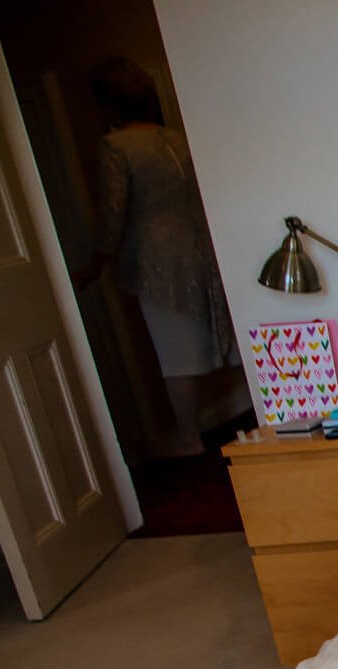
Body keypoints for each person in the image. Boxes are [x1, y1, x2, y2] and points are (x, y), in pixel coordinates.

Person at [73, 57, 236, 458]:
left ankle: (188, 438)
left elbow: (114, 211)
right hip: (205, 247)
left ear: (107, 105)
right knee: (223, 335)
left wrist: (96, 262)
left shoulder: (116, 146)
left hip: (157, 259)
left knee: (175, 351)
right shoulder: (177, 138)